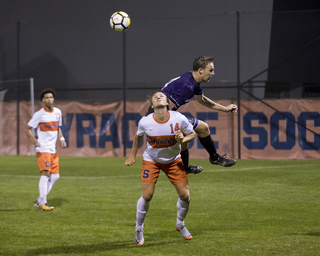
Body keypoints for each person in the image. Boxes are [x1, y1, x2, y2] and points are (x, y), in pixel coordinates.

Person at [125, 92, 196, 246]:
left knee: (185, 196)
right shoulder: (145, 121)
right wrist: (132, 155)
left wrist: (183, 139)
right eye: (155, 96)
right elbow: (138, 137)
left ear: (167, 103)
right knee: (147, 195)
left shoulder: (179, 118)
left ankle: (180, 223)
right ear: (152, 104)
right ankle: (138, 228)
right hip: (152, 160)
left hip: (173, 160)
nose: (158, 97)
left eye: (161, 96)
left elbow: (193, 134)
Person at [158, 55, 238, 174]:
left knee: (200, 129)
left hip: (167, 113)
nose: (213, 73)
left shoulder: (192, 82)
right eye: (210, 70)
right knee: (196, 130)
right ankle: (213, 158)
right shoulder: (186, 86)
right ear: (201, 70)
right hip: (160, 116)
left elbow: (202, 100)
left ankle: (189, 166)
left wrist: (225, 109)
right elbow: (166, 107)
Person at [25, 88, 67, 211]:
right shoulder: (39, 114)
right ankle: (43, 203)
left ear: (53, 99)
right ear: (43, 100)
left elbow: (58, 127)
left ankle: (39, 200)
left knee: (55, 176)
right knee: (46, 173)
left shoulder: (58, 112)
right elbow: (27, 128)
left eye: (51, 97)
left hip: (53, 149)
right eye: (47, 98)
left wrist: (62, 138)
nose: (49, 99)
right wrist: (33, 139)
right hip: (43, 148)